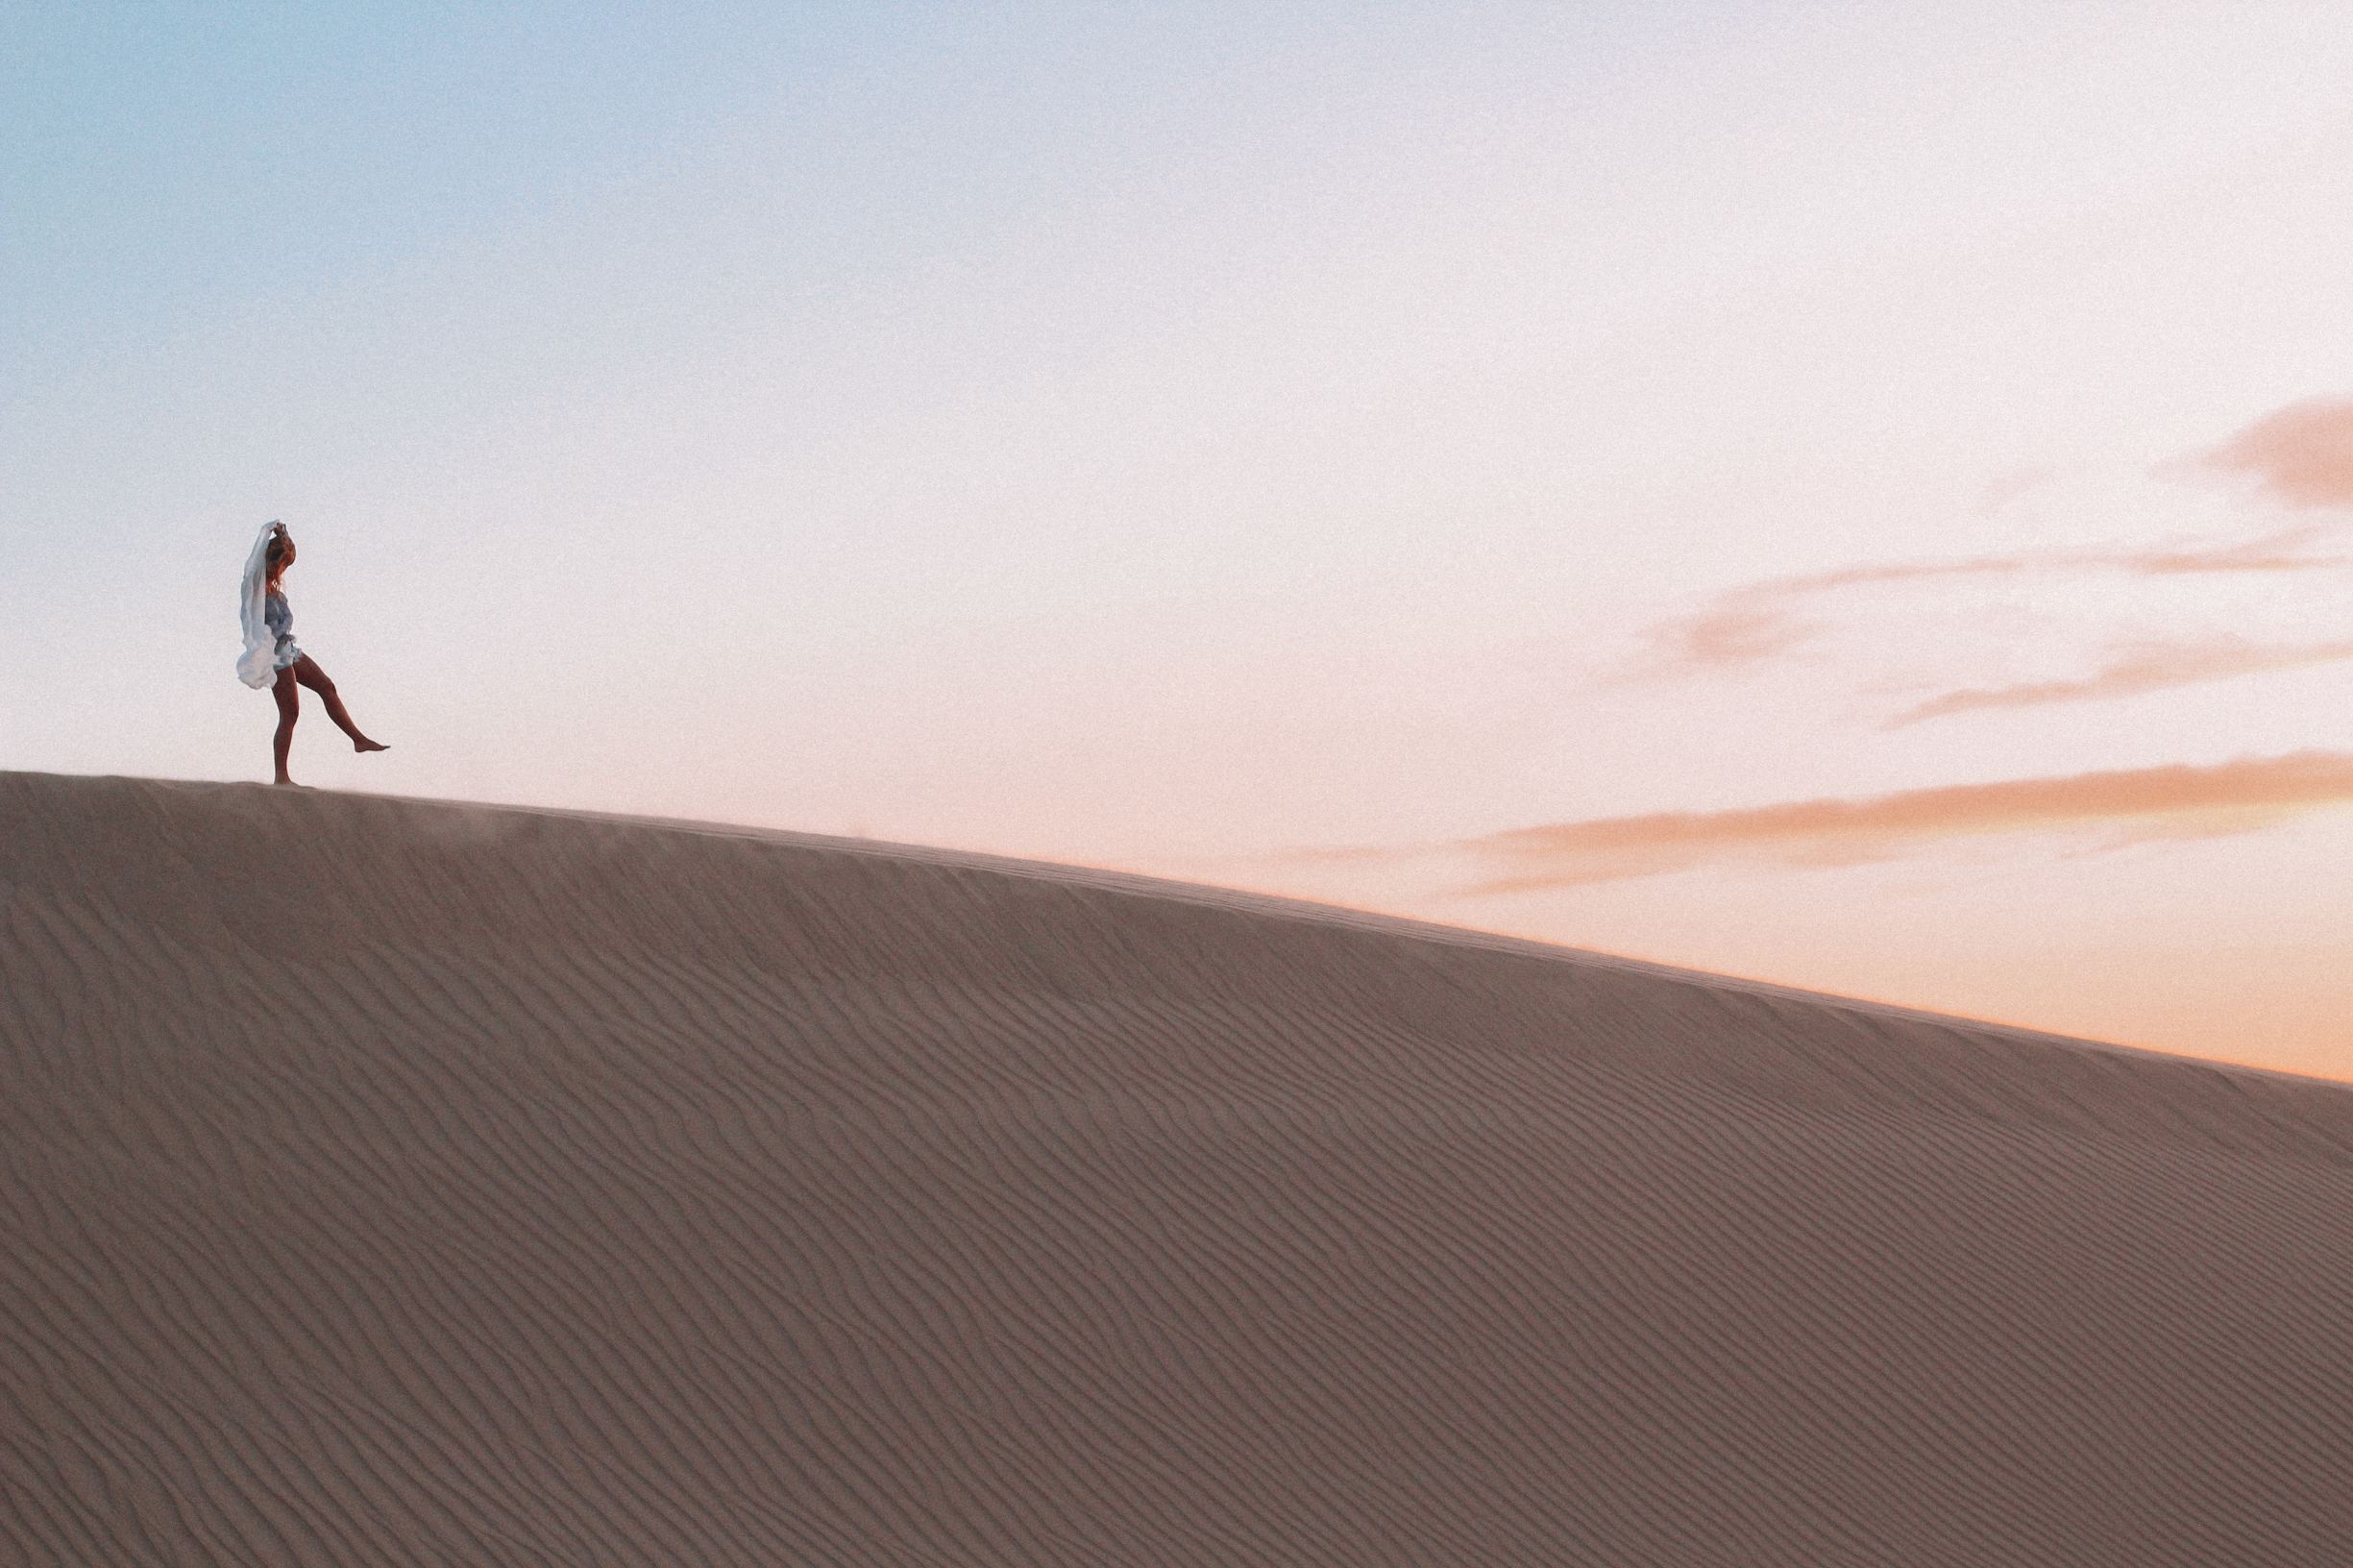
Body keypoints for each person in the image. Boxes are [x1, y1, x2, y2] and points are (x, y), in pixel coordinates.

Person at [236, 521, 388, 785]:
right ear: (273, 561)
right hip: (272, 653)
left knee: (327, 687)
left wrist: (284, 534)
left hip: (288, 648)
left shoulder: (275, 589)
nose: (284, 571)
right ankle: (281, 776)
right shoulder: (255, 585)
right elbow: (253, 564)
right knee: (290, 713)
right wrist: (269, 533)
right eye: (283, 564)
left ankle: (358, 739)